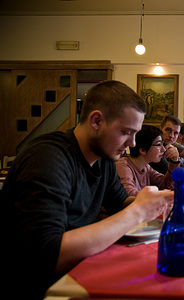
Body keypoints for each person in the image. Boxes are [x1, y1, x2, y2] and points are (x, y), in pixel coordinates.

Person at [1, 80, 173, 299]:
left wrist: (162, 202)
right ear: (96, 121)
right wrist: (138, 211)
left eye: (135, 134)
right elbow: (46, 255)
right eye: (125, 132)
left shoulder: (104, 161)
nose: (131, 144)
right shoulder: (47, 158)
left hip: (77, 271)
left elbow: (121, 204)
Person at [115, 125, 184, 198]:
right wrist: (176, 192)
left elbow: (166, 184)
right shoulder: (123, 166)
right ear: (142, 150)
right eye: (158, 144)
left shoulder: (146, 167)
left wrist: (174, 161)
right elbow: (130, 196)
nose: (163, 149)